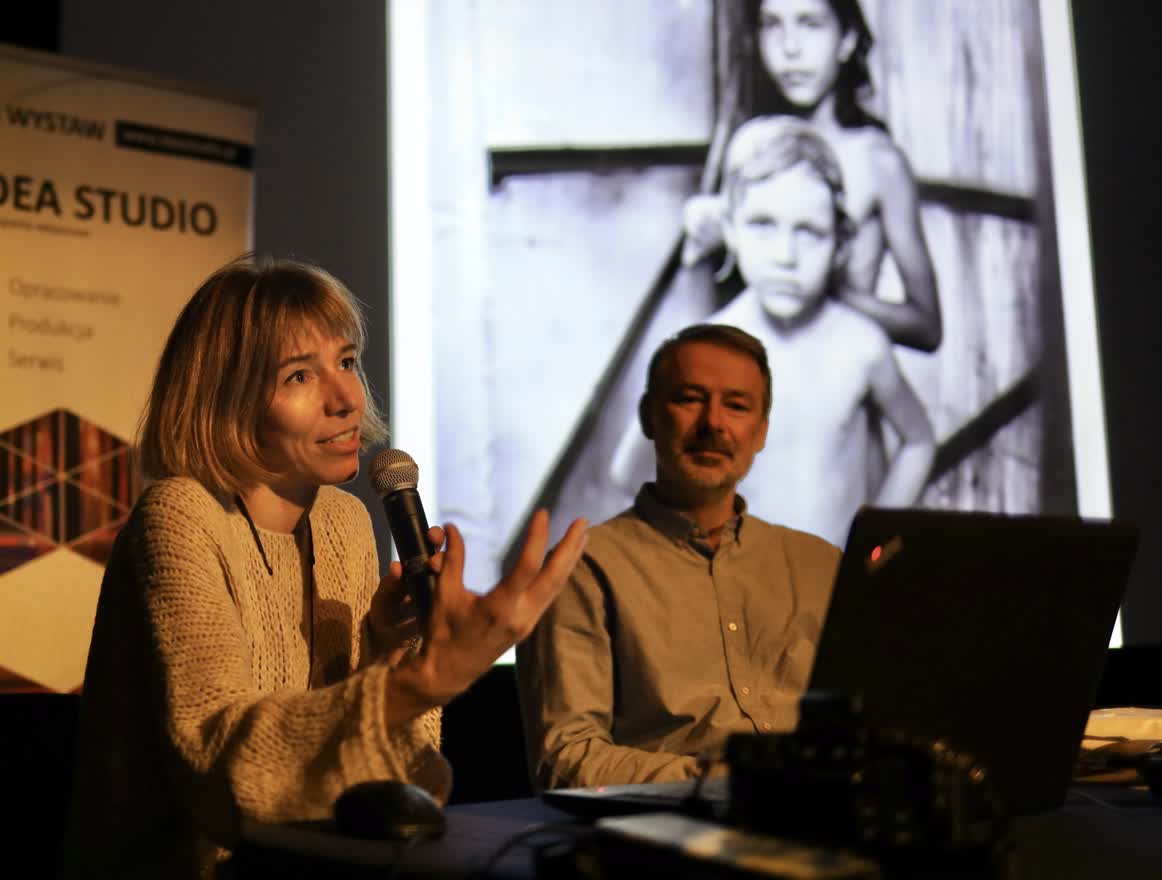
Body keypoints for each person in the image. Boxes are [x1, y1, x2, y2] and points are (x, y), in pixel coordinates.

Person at [61, 255, 588, 879]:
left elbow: (394, 791)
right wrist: (421, 683)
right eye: (299, 376)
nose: (346, 398)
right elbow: (218, 774)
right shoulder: (180, 515)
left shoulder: (344, 522)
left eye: (346, 361)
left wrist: (392, 654)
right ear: (228, 397)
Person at [517, 322, 840, 790]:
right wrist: (723, 780)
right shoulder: (583, 569)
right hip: (675, 825)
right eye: (690, 399)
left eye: (737, 405)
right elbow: (566, 760)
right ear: (648, 416)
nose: (713, 424)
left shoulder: (821, 566)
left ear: (761, 431)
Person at [615, 120, 937, 545]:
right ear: (730, 229)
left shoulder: (862, 346)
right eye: (763, 225)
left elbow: (919, 441)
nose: (786, 256)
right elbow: (630, 472)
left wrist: (874, 536)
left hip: (832, 578)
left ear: (841, 244)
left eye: (810, 232)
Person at [683, 0, 942, 354]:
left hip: (843, 378)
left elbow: (926, 327)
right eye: (772, 25)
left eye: (810, 24)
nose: (790, 48)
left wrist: (820, 289)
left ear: (847, 39)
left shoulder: (877, 160)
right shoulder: (750, 146)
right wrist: (713, 231)